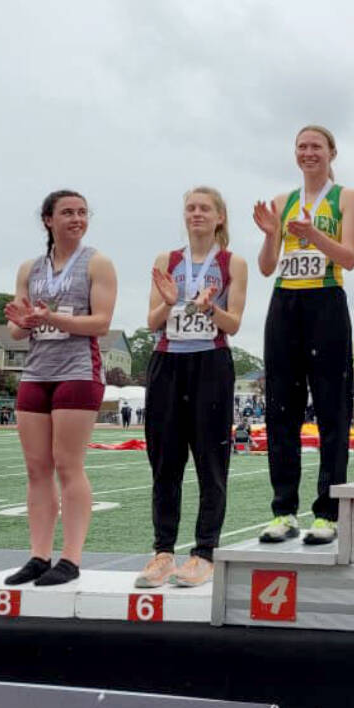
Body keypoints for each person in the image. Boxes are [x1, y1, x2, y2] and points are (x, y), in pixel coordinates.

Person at [135, 186, 248, 590]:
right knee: (164, 462)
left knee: (210, 463)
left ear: (220, 217)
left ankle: (204, 553)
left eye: (204, 208)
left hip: (211, 364)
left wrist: (210, 309)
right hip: (168, 363)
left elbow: (233, 324)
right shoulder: (168, 260)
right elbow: (152, 321)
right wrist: (169, 302)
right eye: (190, 208)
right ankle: (162, 552)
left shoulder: (233, 262)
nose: (196, 214)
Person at [3, 190, 117, 586]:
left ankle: (70, 558)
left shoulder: (97, 263)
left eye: (83, 212)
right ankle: (38, 555)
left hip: (78, 371)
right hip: (36, 373)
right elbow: (16, 330)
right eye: (68, 212)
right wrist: (27, 321)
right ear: (48, 220)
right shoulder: (29, 269)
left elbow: (102, 322)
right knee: (36, 468)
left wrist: (52, 317)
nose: (77, 218)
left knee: (68, 464)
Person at [254, 126, 354, 545]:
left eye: (316, 146)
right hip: (285, 305)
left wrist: (313, 234)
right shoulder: (283, 202)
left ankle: (328, 512)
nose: (309, 153)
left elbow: (349, 257)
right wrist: (271, 235)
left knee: (333, 412)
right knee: (281, 411)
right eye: (302, 146)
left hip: (327, 302)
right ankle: (283, 510)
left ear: (332, 152)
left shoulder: (345, 198)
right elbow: (267, 267)